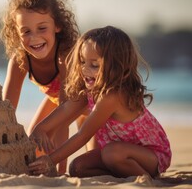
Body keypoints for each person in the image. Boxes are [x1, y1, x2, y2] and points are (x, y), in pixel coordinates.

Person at [28, 26, 172, 178]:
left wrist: (51, 160)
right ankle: (121, 175)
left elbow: (83, 135)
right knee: (78, 167)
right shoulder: (90, 90)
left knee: (112, 153)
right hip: (117, 151)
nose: (85, 69)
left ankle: (149, 180)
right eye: (82, 62)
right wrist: (40, 129)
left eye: (95, 65)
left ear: (116, 66)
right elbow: (65, 109)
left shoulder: (113, 96)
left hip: (151, 155)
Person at [0, 0, 91, 174]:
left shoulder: (65, 56)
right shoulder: (20, 60)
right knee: (35, 143)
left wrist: (58, 169)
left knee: (95, 155)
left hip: (88, 103)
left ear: (57, 25)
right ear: (16, 33)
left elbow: (65, 115)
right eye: (26, 31)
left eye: (42, 28)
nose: (34, 37)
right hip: (58, 101)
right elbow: (6, 110)